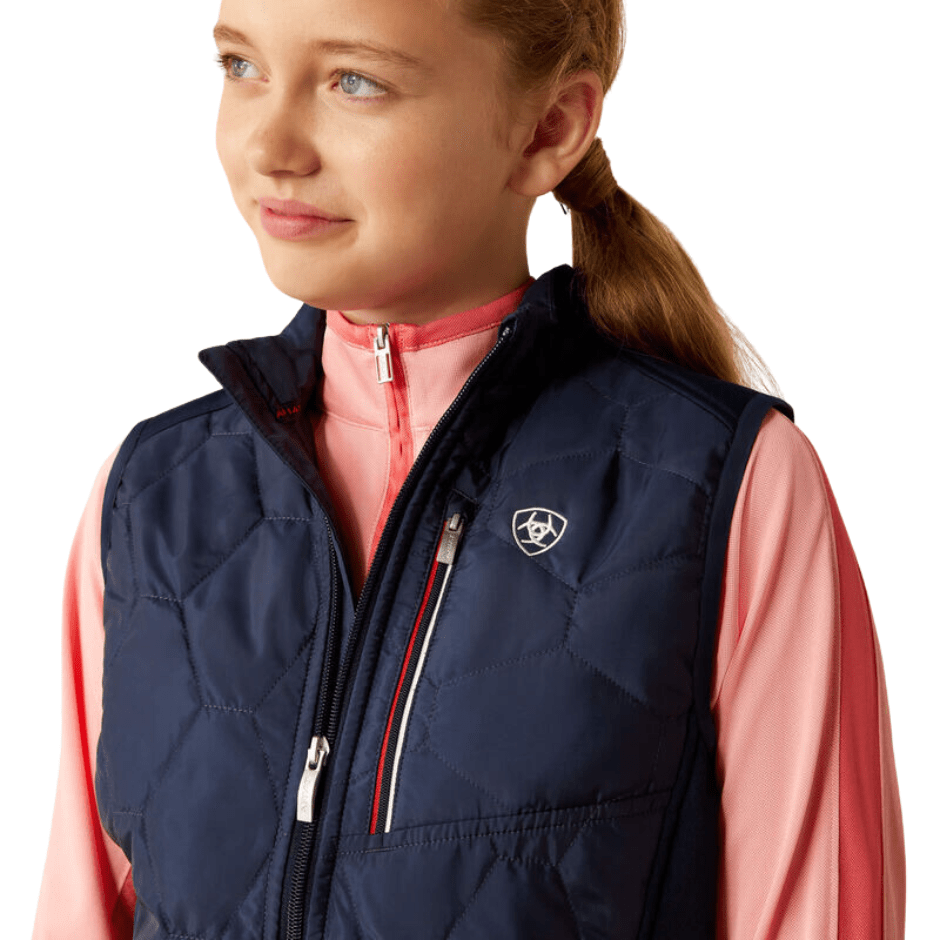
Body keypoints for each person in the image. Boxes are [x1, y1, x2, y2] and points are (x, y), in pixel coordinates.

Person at [32, 0, 905, 937]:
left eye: (354, 81)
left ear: (548, 128)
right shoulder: (150, 499)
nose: (270, 146)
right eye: (241, 67)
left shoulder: (727, 489)